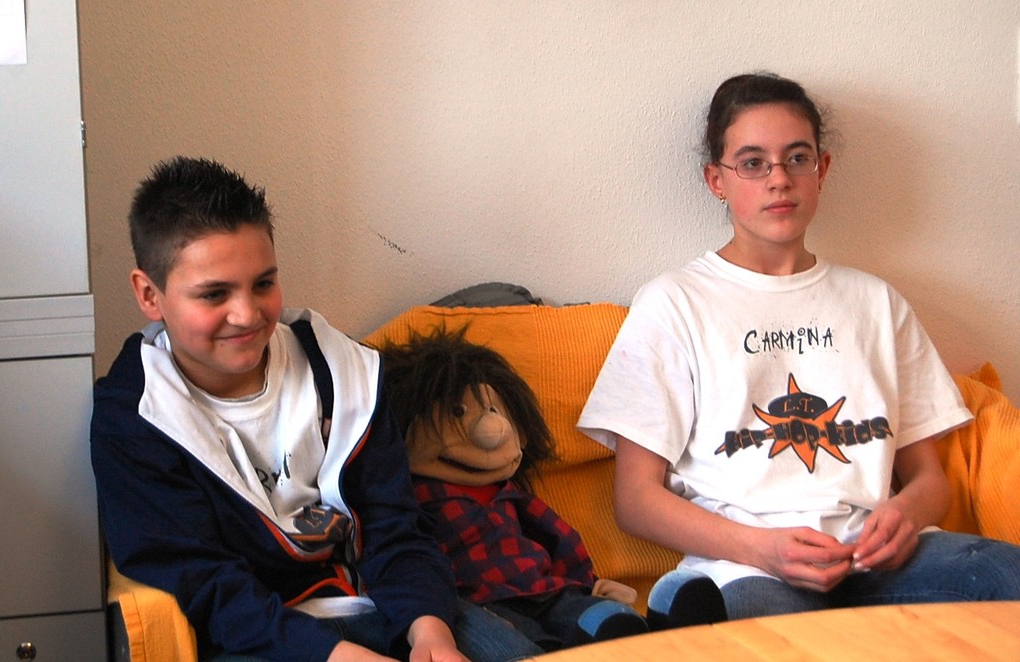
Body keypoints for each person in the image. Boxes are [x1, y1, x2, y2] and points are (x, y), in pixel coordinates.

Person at [577, 72, 1020, 620]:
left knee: (1006, 572)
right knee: (775, 636)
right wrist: (763, 549)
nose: (779, 179)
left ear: (822, 169)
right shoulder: (674, 303)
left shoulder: (876, 302)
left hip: (876, 562)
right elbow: (635, 501)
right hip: (746, 569)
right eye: (753, 163)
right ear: (716, 179)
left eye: (797, 158)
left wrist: (905, 515)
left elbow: (929, 480)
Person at [90, 156, 543, 661]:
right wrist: (333, 655)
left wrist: (429, 631)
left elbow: (397, 528)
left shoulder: (345, 372)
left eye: (263, 284)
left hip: (385, 606)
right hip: (260, 636)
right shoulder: (133, 417)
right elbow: (202, 583)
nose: (246, 313)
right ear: (149, 295)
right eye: (214, 294)